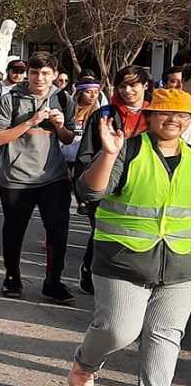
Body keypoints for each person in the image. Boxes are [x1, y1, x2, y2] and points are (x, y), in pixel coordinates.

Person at [69, 89, 191, 386]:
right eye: (165, 113)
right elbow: (90, 192)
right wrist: (108, 154)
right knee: (118, 329)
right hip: (123, 259)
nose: (173, 120)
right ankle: (85, 362)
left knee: (166, 334)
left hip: (181, 262)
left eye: (181, 115)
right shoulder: (130, 150)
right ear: (150, 117)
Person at [0, 51, 76, 304]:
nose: (40, 78)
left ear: (55, 75)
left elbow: (69, 138)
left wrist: (60, 126)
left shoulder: (63, 98)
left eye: (46, 73)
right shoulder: (10, 100)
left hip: (54, 176)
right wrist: (30, 122)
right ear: (28, 73)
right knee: (15, 231)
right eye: (35, 72)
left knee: (58, 232)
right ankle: (12, 277)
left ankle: (53, 282)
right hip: (17, 178)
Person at [74, 65, 151, 295]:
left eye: (133, 85)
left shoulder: (156, 115)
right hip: (106, 184)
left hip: (142, 186)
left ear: (145, 86)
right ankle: (91, 273)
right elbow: (85, 154)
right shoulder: (104, 114)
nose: (128, 90)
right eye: (122, 86)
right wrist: (84, 193)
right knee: (102, 233)